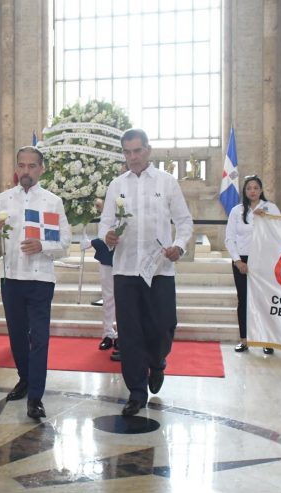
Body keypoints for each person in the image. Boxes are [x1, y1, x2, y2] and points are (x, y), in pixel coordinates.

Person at [99, 129, 193, 417]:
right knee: (129, 333)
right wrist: (108, 236)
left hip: (160, 270)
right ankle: (136, 392)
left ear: (148, 150)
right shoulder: (117, 185)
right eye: (127, 153)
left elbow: (184, 221)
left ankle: (158, 361)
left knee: (164, 326)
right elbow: (104, 224)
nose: (132, 158)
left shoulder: (166, 183)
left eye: (137, 151)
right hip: (126, 270)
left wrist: (179, 245)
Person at [0, 146, 71, 420]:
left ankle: (36, 397)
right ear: (17, 168)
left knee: (39, 339)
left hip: (40, 279)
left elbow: (65, 244)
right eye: (22, 165)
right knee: (17, 336)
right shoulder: (4, 199)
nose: (26, 171)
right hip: (11, 278)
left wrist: (42, 245)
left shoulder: (52, 202)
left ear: (41, 169)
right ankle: (24, 378)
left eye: (32, 166)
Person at [225, 174, 281, 355]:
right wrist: (237, 261)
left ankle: (267, 340)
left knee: (264, 300)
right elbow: (230, 238)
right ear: (244, 191)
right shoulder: (236, 210)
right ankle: (244, 340)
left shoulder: (271, 208)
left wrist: (265, 218)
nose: (252, 191)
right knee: (244, 300)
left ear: (261, 190)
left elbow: (280, 231)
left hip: (264, 259)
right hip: (243, 259)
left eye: (256, 188)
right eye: (249, 188)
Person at [91, 198, 118, 356]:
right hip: (107, 253)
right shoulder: (112, 187)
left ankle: (123, 335)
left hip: (127, 254)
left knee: (124, 298)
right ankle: (108, 333)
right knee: (108, 296)